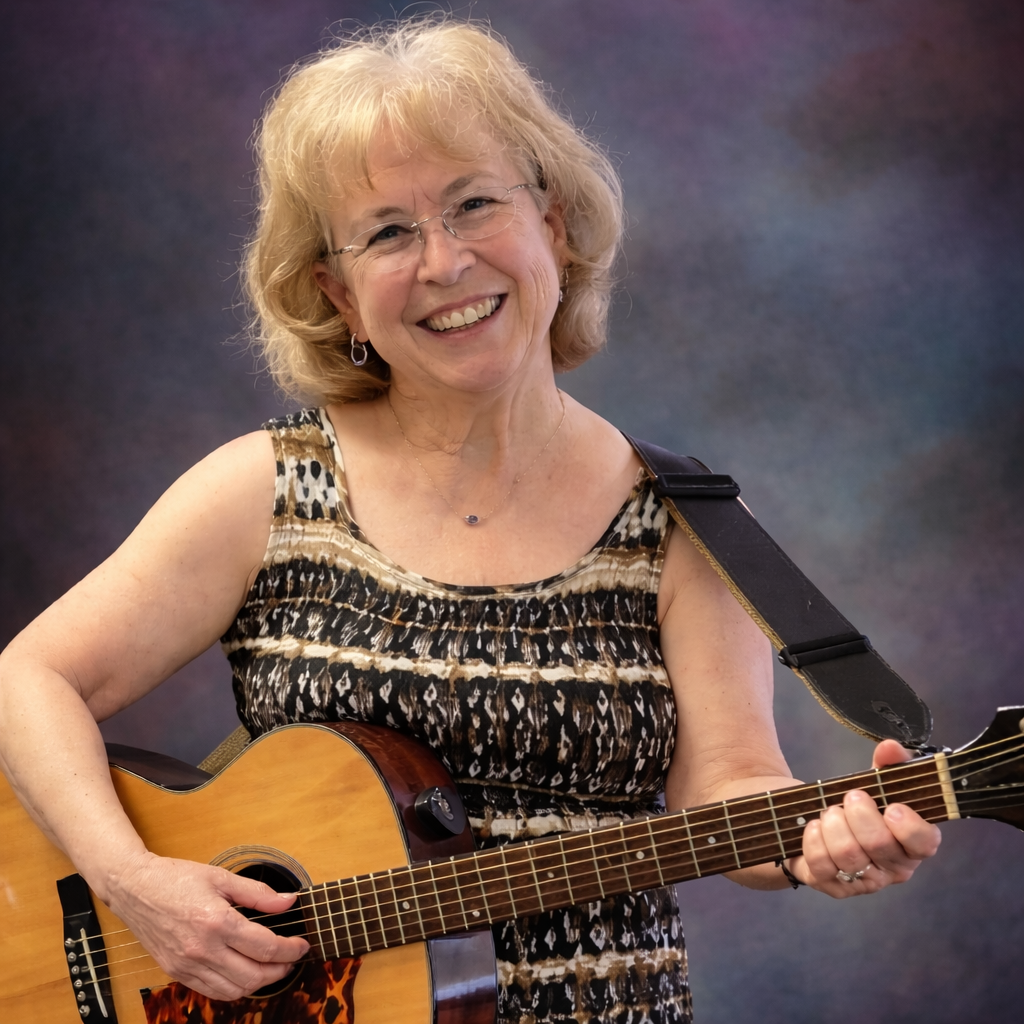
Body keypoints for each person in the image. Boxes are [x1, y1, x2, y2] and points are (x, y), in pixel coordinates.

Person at [0, 17, 940, 1023]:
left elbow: (733, 783)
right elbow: (28, 678)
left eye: (474, 204)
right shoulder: (268, 489)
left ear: (555, 227)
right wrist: (131, 881)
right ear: (339, 295)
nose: (444, 262)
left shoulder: (687, 521)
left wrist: (821, 844)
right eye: (388, 233)